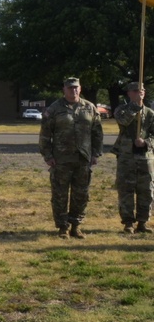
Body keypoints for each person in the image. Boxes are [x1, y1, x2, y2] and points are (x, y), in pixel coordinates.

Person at [39, 76, 103, 239]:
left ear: (80, 89)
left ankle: (76, 226)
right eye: (70, 88)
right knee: (60, 194)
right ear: (64, 90)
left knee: (81, 194)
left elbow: (97, 133)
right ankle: (62, 227)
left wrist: (95, 154)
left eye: (76, 87)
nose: (73, 90)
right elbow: (45, 135)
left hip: (83, 159)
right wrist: (48, 155)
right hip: (61, 160)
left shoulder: (89, 107)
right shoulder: (54, 109)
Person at [113, 82, 154, 234]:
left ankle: (143, 222)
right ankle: (128, 222)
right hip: (126, 157)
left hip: (145, 158)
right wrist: (135, 107)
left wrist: (146, 142)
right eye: (136, 90)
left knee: (146, 191)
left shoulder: (150, 113)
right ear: (129, 93)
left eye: (142, 90)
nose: (140, 93)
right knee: (126, 190)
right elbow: (122, 121)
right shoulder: (121, 110)